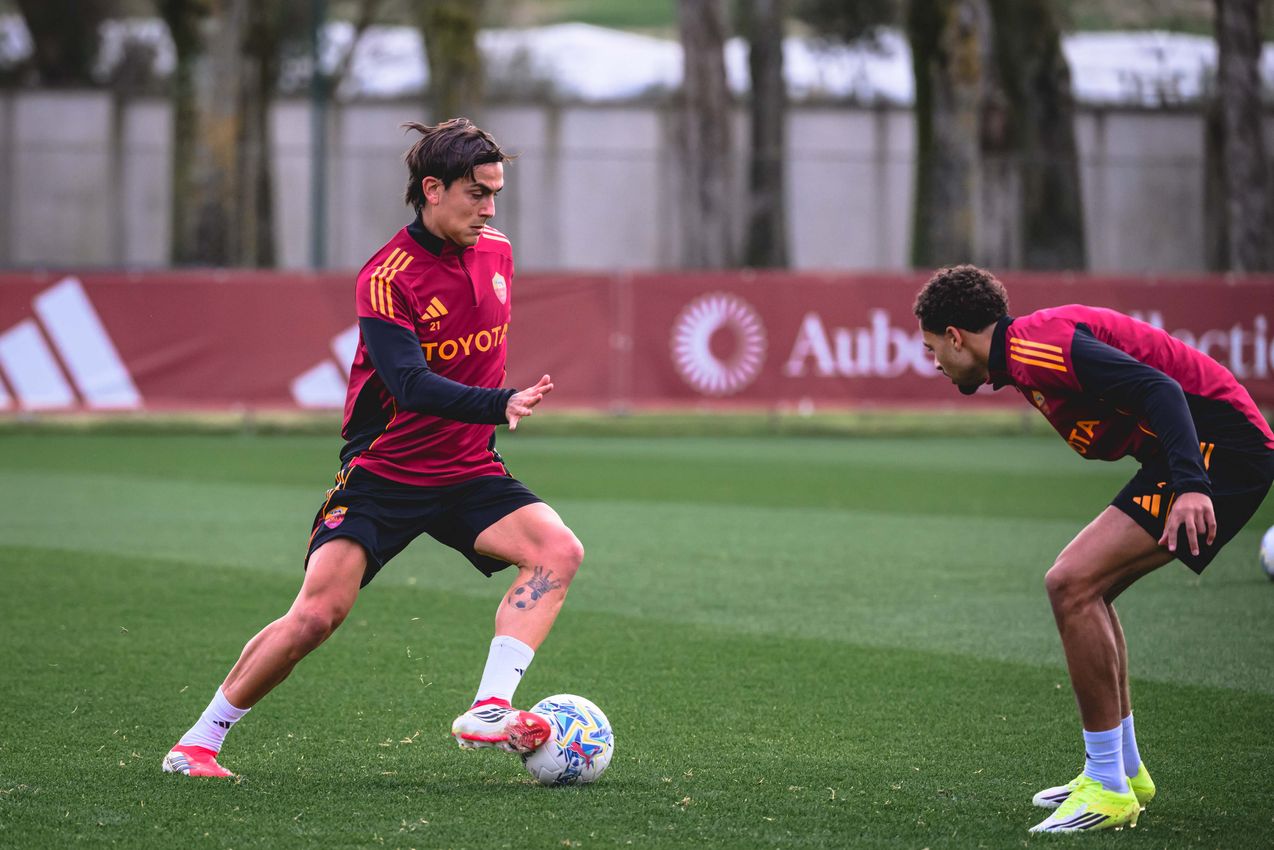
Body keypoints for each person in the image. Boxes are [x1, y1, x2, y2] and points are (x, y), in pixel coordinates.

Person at [163, 118, 583, 778]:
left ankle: (491, 706)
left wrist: (487, 414)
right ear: (432, 190)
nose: (490, 208)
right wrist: (499, 402)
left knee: (558, 551)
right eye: (477, 193)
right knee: (316, 617)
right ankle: (197, 743)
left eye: (496, 193)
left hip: (467, 468)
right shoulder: (387, 277)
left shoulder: (497, 251)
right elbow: (409, 385)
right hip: (384, 472)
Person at [913, 265, 1274, 834]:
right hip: (1199, 451)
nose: (934, 360)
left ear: (956, 336)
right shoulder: (1022, 354)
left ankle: (1105, 785)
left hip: (1221, 451)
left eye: (933, 346)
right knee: (1088, 587)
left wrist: (1193, 485)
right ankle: (1122, 771)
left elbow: (1161, 389)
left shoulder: (1037, 349)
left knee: (1070, 582)